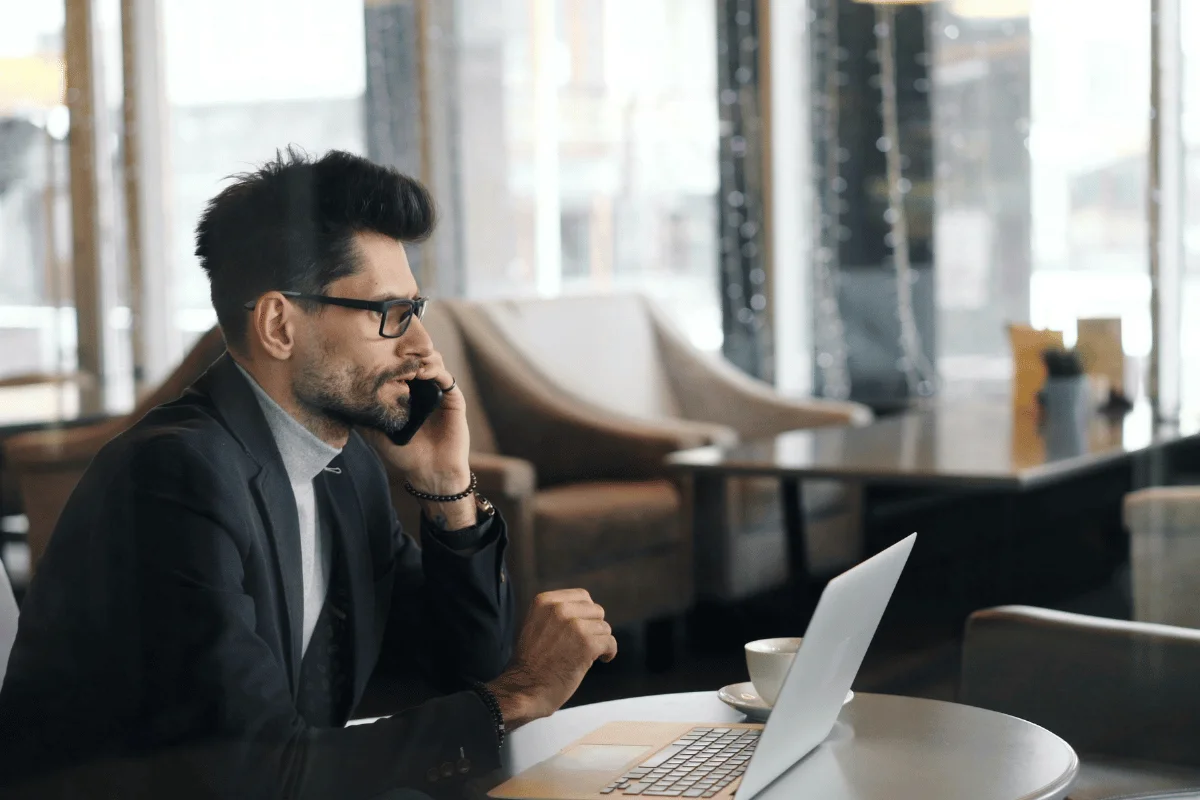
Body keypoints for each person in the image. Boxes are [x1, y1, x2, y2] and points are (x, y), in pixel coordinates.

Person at [0, 149, 618, 799]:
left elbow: (465, 674)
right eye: (390, 315)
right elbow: (258, 772)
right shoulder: (173, 478)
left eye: (417, 310)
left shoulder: (343, 465)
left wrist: (447, 491)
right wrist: (520, 694)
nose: (423, 349)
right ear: (278, 325)